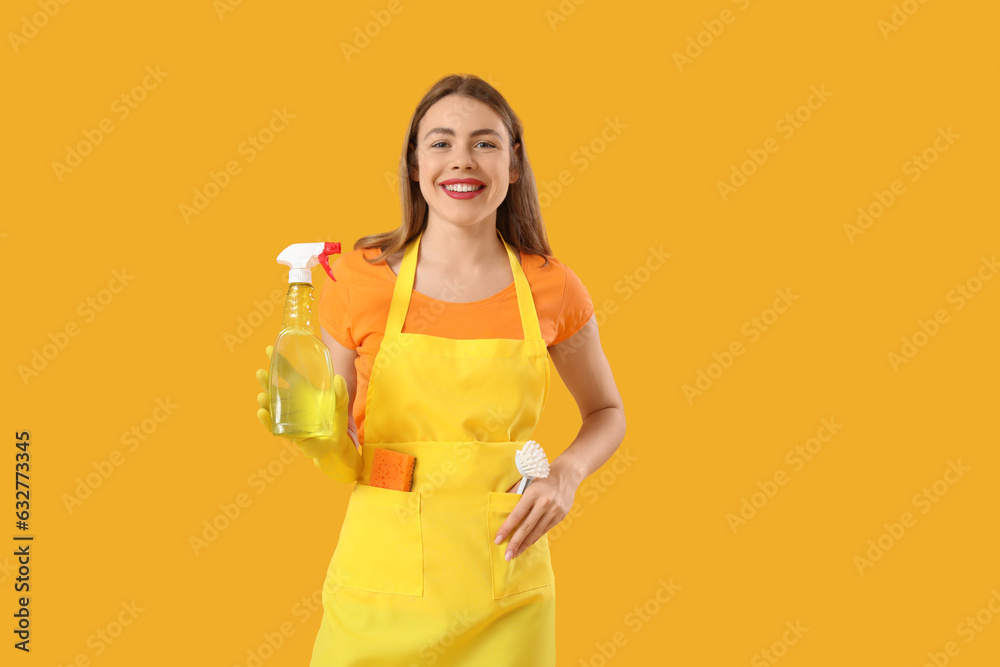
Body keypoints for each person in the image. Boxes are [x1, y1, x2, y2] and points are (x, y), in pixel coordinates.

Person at [255, 73, 625, 666]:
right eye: (440, 143)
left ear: (513, 165)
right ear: (412, 164)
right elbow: (340, 439)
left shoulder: (552, 286)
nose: (462, 161)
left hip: (504, 587)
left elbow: (607, 411)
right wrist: (321, 439)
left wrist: (565, 476)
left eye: (485, 143)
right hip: (381, 587)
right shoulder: (356, 280)